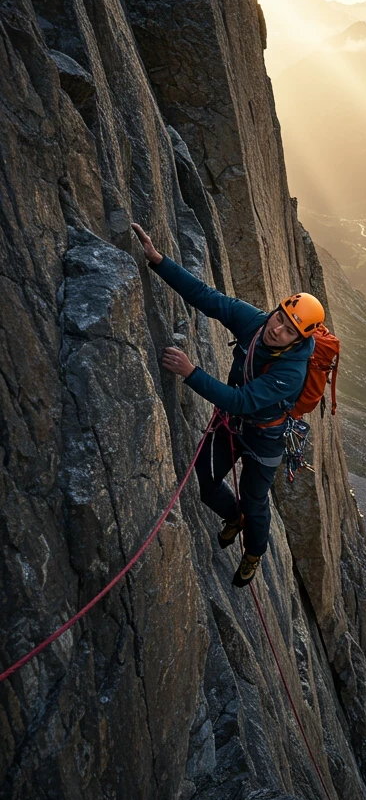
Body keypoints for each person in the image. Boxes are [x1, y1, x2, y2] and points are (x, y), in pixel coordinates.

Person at [132, 223, 324, 587]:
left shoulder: (292, 371)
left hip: (264, 440)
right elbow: (207, 297)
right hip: (232, 425)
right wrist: (159, 261)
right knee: (204, 482)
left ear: (299, 340)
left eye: (288, 330)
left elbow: (240, 400)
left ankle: (253, 553)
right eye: (280, 316)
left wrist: (191, 373)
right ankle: (232, 517)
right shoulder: (256, 321)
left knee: (255, 503)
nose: (277, 328)